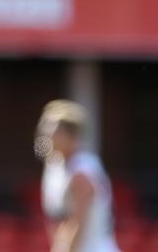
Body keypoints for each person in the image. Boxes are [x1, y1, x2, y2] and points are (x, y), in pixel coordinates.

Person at [34, 100, 120, 252]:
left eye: (54, 132)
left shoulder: (82, 171)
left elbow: (77, 223)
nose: (47, 137)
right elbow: (58, 220)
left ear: (70, 136)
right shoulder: (54, 167)